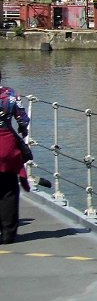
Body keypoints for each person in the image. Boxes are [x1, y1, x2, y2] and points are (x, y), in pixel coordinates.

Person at [0, 72, 30, 245]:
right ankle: (8, 234)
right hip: (6, 146)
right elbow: (23, 119)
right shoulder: (10, 94)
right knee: (9, 189)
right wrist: (23, 130)